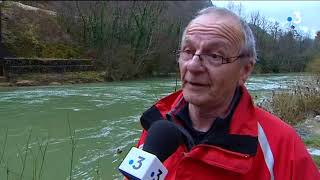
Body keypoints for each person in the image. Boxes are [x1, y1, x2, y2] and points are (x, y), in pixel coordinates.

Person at [135, 7, 320, 179]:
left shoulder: (281, 147)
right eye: (188, 51)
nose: (192, 65)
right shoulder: (157, 127)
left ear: (245, 70)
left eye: (215, 56)